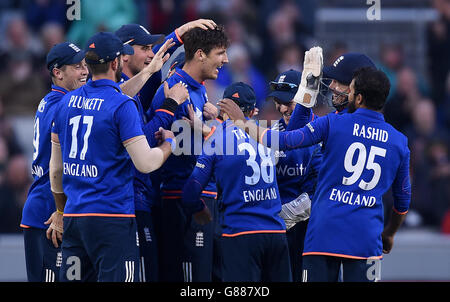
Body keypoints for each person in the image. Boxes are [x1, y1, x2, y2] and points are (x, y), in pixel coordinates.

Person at [219, 67, 411, 282]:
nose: (345, 94)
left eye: (350, 90)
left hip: (323, 234)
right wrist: (390, 233)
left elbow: (284, 141)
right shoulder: (400, 142)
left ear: (358, 98)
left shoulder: (332, 123)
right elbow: (402, 200)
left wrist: (242, 123)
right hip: (366, 237)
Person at [47, 32, 185, 282]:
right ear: (115, 63)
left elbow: (56, 170)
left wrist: (60, 209)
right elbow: (145, 163)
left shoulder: (65, 104)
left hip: (75, 218)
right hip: (112, 220)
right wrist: (169, 144)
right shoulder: (123, 106)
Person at [114, 20, 215, 282]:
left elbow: (158, 60)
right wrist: (170, 109)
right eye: (145, 48)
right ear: (123, 54)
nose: (151, 54)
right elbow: (139, 146)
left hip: (144, 198)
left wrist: (180, 33)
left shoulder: (136, 87)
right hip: (131, 201)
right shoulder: (118, 95)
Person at [183, 82, 292, 282]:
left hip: (240, 234)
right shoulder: (268, 136)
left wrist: (199, 209)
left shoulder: (216, 142)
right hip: (276, 233)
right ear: (253, 110)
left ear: (222, 107)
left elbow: (190, 193)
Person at [148, 25, 229, 282]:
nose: (226, 60)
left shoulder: (199, 88)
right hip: (181, 197)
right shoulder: (172, 90)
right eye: (221, 53)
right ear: (201, 54)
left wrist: (211, 123)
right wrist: (206, 130)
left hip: (202, 195)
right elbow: (152, 141)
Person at [20, 42, 88, 282]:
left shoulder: (59, 101)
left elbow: (112, 95)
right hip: (47, 213)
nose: (85, 71)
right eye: (77, 66)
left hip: (50, 208)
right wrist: (60, 210)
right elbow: (57, 167)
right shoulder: (63, 105)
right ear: (57, 73)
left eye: (85, 65)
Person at [267, 69, 322, 282]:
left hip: (309, 228)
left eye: (287, 101)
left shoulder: (321, 130)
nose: (281, 107)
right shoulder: (272, 131)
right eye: (277, 101)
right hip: (276, 228)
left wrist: (285, 214)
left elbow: (319, 189)